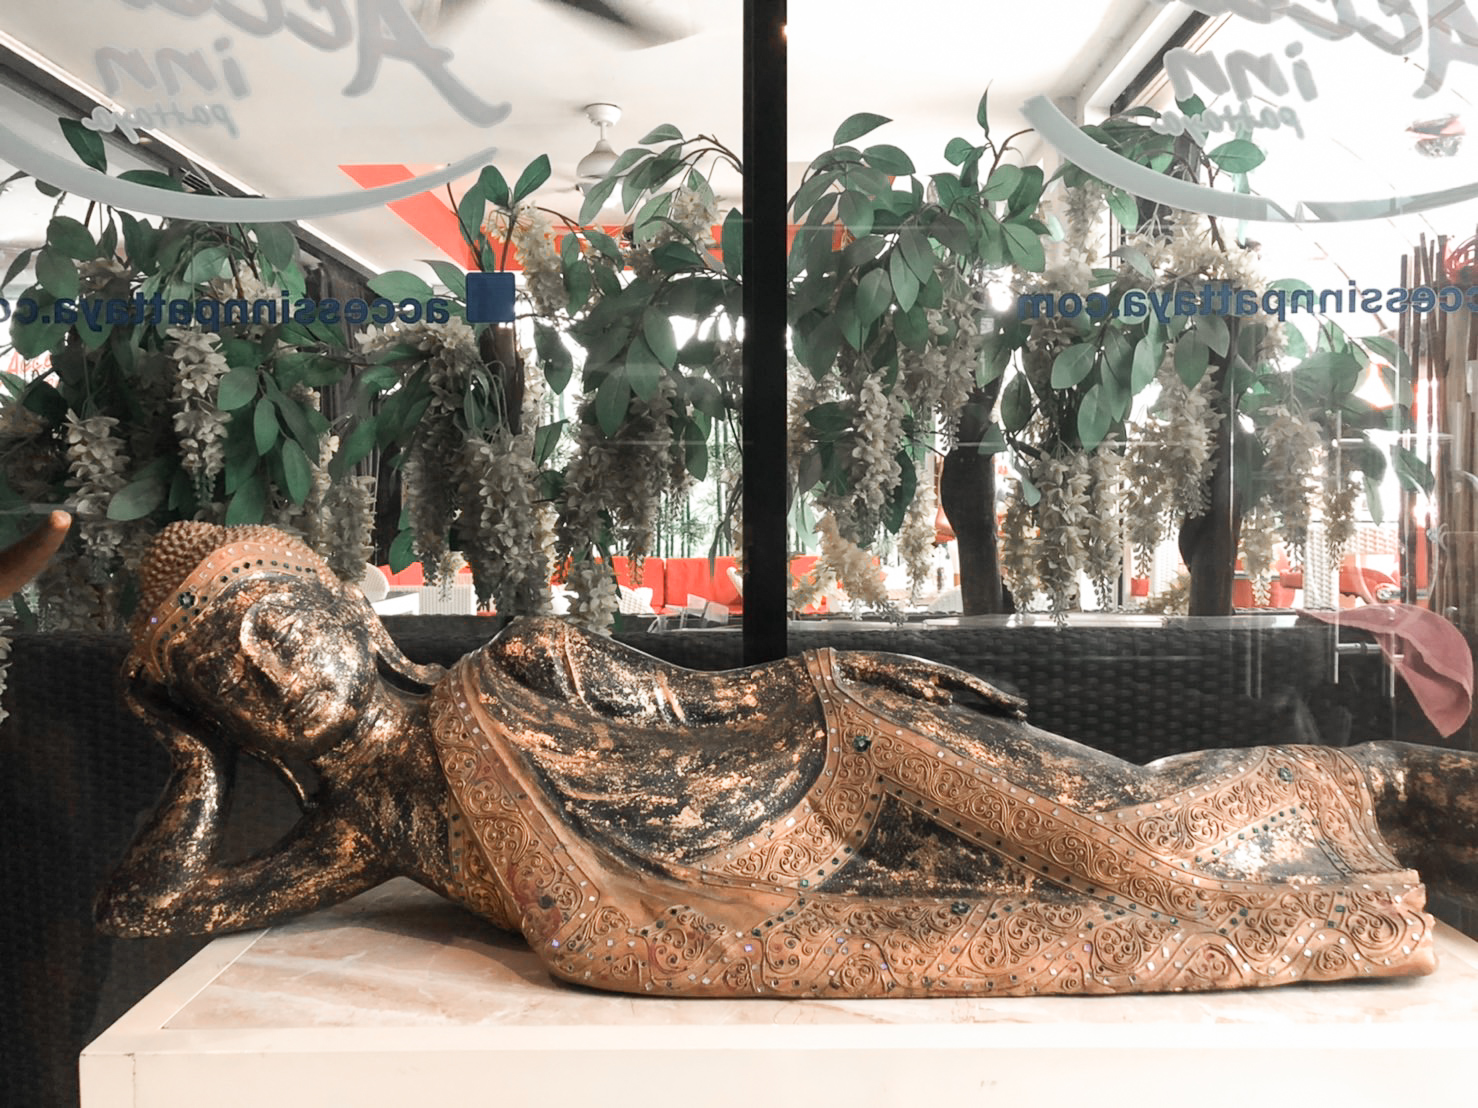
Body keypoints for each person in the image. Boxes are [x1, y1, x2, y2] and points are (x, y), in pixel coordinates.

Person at [96, 521, 1477, 998]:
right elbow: (149, 909)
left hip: (840, 773)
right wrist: (191, 760)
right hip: (762, 896)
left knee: (1146, 825)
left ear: (347, 615)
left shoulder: (519, 665)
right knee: (1082, 896)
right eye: (225, 676)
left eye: (279, 625)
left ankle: (1391, 794)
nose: (267, 669)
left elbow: (702, 702)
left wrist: (843, 672)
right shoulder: (373, 829)